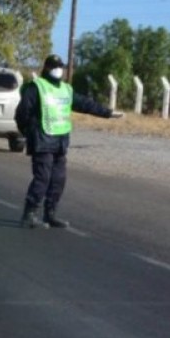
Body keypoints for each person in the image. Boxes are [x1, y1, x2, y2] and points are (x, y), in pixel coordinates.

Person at [14, 54, 123, 229]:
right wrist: (29, 132)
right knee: (42, 178)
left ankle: (50, 214)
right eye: (54, 66)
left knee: (58, 180)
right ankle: (30, 213)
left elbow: (85, 104)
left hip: (60, 141)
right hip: (42, 141)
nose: (58, 70)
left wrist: (108, 113)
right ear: (46, 68)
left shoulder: (66, 89)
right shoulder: (36, 88)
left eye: (60, 66)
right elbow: (22, 114)